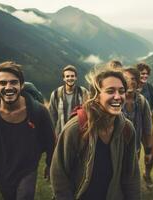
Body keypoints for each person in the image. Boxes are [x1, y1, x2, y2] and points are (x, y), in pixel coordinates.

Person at [51, 68, 140, 200]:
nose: (118, 96)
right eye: (110, 91)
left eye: (121, 91)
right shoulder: (76, 128)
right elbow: (59, 174)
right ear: (96, 96)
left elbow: (131, 176)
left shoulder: (126, 129)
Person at [0, 61, 55, 200]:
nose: (8, 87)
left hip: (28, 168)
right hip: (2, 169)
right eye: (3, 83)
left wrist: (49, 164)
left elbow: (51, 141)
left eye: (13, 82)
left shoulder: (39, 111)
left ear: (21, 85)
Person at [122, 67, 153, 188]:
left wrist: (148, 151)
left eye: (133, 79)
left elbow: (148, 129)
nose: (130, 81)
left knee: (130, 179)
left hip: (135, 150)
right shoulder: (115, 100)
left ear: (137, 82)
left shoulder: (142, 102)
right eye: (126, 78)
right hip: (115, 150)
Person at [48, 65, 88, 136]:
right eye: (67, 76)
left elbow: (89, 112)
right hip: (61, 133)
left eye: (72, 76)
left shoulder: (83, 92)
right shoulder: (56, 94)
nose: (70, 78)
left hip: (79, 133)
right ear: (64, 78)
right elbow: (52, 116)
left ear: (76, 77)